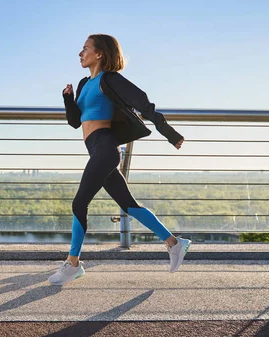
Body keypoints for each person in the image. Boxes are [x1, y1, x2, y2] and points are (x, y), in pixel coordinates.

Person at [48, 34, 191, 286]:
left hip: (105, 148)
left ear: (100, 53)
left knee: (79, 202)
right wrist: (68, 99)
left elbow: (143, 102)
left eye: (85, 49)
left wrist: (169, 133)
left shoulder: (109, 80)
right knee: (129, 205)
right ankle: (174, 243)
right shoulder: (84, 83)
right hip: (96, 150)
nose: (80, 54)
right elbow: (75, 122)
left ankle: (73, 264)